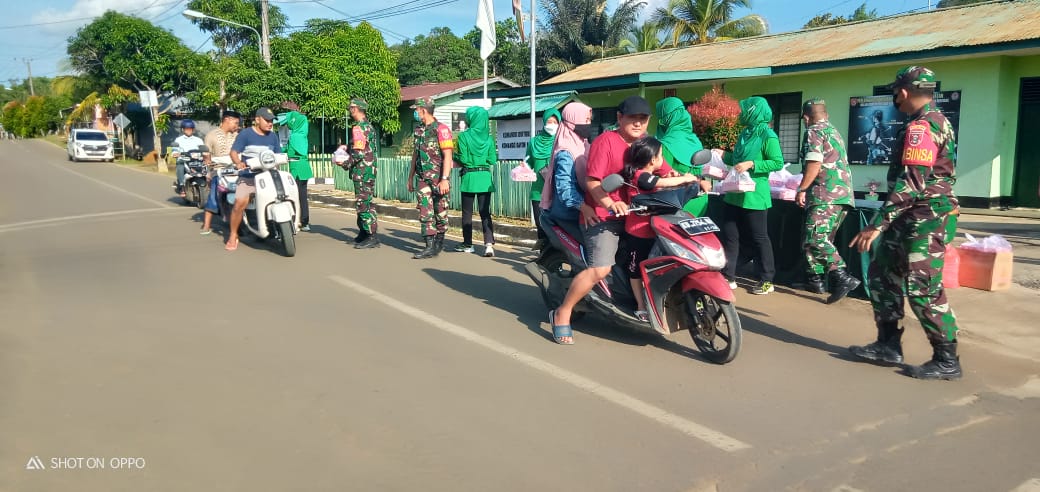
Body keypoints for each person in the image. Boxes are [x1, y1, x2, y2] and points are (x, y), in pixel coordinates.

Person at [849, 66, 962, 380]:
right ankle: (888, 345)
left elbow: (912, 182)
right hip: (909, 218)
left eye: (895, 92)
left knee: (923, 289)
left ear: (903, 92)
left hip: (924, 219)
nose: (895, 98)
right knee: (883, 275)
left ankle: (946, 358)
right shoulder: (931, 122)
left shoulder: (922, 128)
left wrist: (877, 225)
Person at [548, 96, 677, 345]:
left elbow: (664, 171)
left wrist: (688, 179)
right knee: (600, 269)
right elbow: (593, 181)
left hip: (639, 215)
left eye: (643, 119)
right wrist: (609, 203)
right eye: (633, 118)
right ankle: (562, 313)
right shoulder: (605, 142)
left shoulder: (647, 144)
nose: (638, 124)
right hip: (604, 216)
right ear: (620, 118)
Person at [620, 136, 698, 322]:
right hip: (638, 232)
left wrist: (688, 181)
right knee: (636, 269)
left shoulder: (653, 174)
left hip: (658, 230)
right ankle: (640, 306)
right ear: (653, 160)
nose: (663, 160)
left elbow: (664, 183)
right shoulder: (639, 175)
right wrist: (683, 178)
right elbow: (656, 184)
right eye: (661, 155)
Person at [715, 96, 785, 295]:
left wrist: (753, 164)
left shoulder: (768, 135)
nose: (741, 114)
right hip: (734, 193)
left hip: (754, 195)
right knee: (730, 236)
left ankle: (766, 280)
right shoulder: (744, 133)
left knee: (759, 238)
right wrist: (722, 154)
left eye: (745, 110)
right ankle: (728, 276)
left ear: (754, 111)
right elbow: (737, 159)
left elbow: (777, 162)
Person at [795, 98, 860, 303]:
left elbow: (814, 163)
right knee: (817, 238)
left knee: (816, 238)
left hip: (825, 193)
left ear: (806, 117)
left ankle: (841, 276)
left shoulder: (814, 131)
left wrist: (802, 188)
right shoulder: (834, 131)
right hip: (842, 195)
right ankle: (815, 281)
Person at [225, 107, 281, 252]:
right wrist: (238, 162)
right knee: (239, 203)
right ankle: (233, 235)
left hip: (268, 176)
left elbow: (278, 156)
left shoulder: (273, 136)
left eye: (271, 121)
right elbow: (234, 152)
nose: (270, 123)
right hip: (248, 176)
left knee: (282, 197)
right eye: (267, 120)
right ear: (257, 120)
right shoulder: (245, 134)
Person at [407, 96, 454, 259]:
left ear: (423, 110)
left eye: (417, 110)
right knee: (425, 211)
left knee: (440, 212)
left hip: (439, 179)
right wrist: (410, 176)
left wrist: (445, 179)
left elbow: (448, 156)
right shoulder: (418, 130)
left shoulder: (441, 129)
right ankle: (429, 245)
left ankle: (439, 243)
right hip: (422, 178)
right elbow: (415, 155)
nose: (416, 113)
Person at [540, 102, 594, 238]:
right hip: (569, 213)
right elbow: (565, 187)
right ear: (572, 122)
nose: (588, 124)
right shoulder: (565, 152)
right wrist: (583, 207)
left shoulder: (584, 145)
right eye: (585, 120)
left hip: (582, 210)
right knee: (596, 251)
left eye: (589, 120)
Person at [454, 106, 499, 257]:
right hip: (485, 178)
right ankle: (488, 245)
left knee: (467, 213)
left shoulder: (463, 137)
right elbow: (492, 159)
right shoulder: (489, 138)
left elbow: (464, 159)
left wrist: (455, 157)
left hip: (469, 178)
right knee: (485, 212)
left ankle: (468, 244)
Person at [655, 97, 711, 217]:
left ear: (666, 119)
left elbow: (662, 177)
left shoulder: (664, 145)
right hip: (700, 200)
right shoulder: (695, 141)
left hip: (677, 203)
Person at [200, 110, 241, 235]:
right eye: (236, 122)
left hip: (236, 169)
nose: (237, 126)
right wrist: (208, 167)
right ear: (227, 119)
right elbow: (206, 155)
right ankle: (206, 225)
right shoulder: (211, 135)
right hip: (218, 170)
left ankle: (242, 224)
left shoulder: (238, 135)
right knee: (213, 195)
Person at [347, 97, 380, 249]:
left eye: (351, 107)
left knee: (363, 203)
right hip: (368, 170)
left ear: (355, 109)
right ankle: (363, 233)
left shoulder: (359, 128)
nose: (349, 110)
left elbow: (359, 153)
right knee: (365, 201)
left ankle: (371, 236)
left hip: (362, 171)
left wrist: (345, 163)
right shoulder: (369, 127)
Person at [526, 108, 561, 250]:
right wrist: (524, 168)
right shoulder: (533, 142)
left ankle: (555, 254)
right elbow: (527, 162)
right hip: (538, 190)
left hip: (557, 190)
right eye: (549, 121)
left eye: (555, 122)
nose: (551, 124)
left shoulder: (561, 141)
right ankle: (543, 253)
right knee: (540, 223)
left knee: (556, 225)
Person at [274, 110, 313, 231]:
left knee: (295, 195)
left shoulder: (295, 136)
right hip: (304, 168)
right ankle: (305, 221)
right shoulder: (302, 134)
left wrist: (280, 149)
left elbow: (290, 151)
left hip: (297, 168)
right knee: (302, 195)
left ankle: (297, 220)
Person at [172, 119, 206, 197]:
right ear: (183, 129)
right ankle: (181, 186)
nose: (188, 131)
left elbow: (203, 150)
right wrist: (175, 153)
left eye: (190, 129)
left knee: (206, 168)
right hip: (184, 160)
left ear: (193, 130)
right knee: (180, 165)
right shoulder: (178, 140)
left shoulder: (198, 140)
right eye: (186, 129)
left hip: (197, 161)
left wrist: (205, 154)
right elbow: (174, 151)